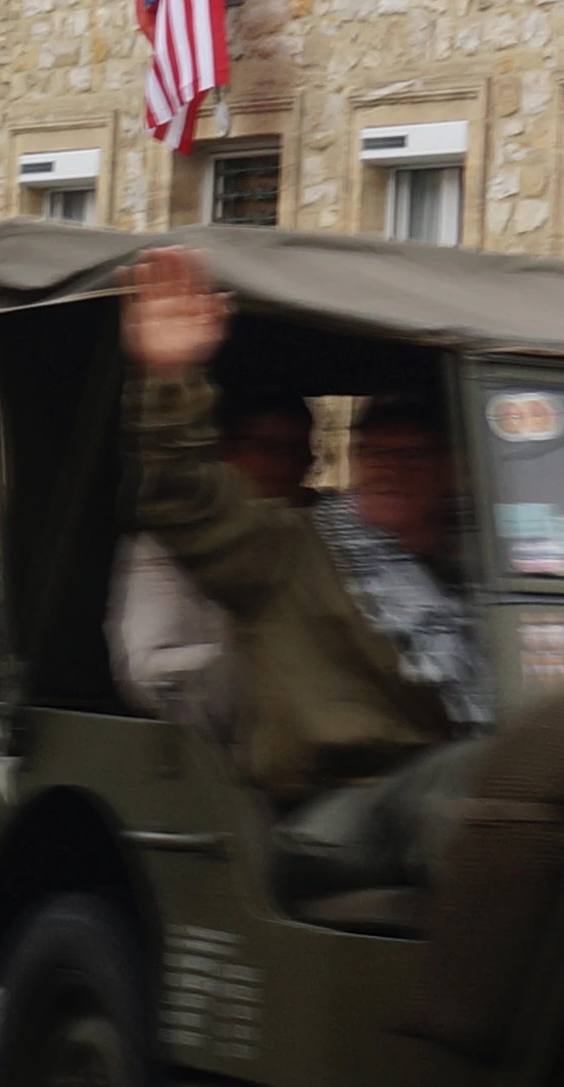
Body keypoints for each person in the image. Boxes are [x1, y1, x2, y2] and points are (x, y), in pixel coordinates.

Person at [121, 244, 490, 893]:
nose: (390, 467)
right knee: (476, 792)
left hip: (444, 800)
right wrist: (171, 377)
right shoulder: (296, 549)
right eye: (375, 451)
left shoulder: (478, 576)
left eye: (415, 452)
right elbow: (182, 498)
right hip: (333, 806)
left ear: (454, 470)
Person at [106, 394, 312, 734]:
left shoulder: (326, 529)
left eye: (296, 450)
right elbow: (151, 673)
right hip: (226, 747)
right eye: (267, 446)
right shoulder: (171, 543)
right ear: (228, 452)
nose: (283, 463)